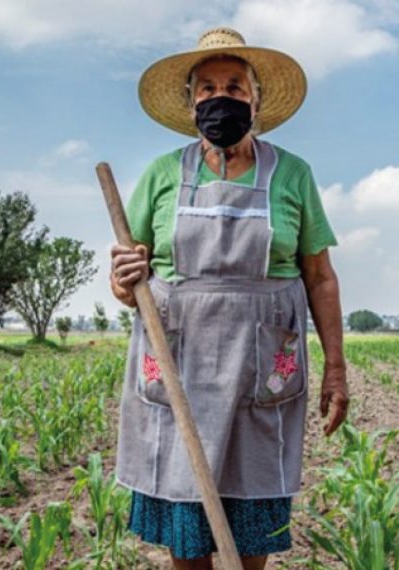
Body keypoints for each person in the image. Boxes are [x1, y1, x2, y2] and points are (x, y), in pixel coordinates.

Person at [110, 27, 348, 569]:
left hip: (258, 368)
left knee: (251, 521)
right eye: (209, 88)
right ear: (192, 103)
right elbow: (128, 283)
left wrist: (336, 368)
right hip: (179, 365)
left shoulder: (292, 173)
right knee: (186, 529)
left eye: (236, 87)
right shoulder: (162, 174)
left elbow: (320, 276)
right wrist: (123, 278)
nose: (222, 97)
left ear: (256, 101)